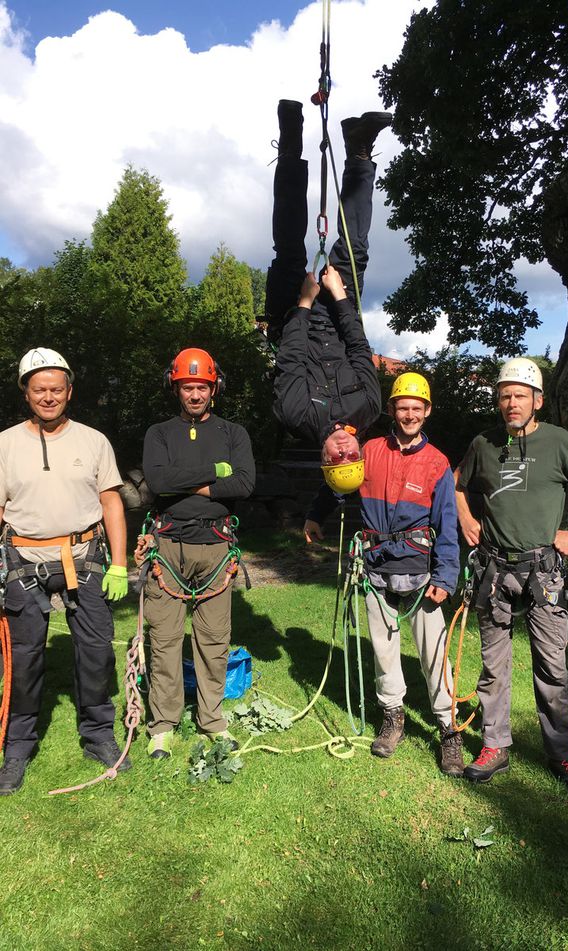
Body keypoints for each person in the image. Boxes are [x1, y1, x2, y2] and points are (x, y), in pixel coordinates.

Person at [454, 357, 568, 796]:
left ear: (537, 400)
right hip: (494, 568)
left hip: (542, 570)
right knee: (493, 665)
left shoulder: (559, 442)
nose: (511, 402)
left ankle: (562, 755)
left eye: (520, 395)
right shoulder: (484, 444)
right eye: (505, 395)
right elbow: (455, 484)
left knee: (552, 666)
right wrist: (467, 519)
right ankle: (494, 746)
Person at [304, 372, 464, 776]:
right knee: (383, 647)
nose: (409, 414)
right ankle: (393, 716)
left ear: (426, 412)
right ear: (392, 410)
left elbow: (448, 523)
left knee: (434, 653)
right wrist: (315, 516)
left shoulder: (437, 463)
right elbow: (337, 482)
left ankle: (448, 728)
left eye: (416, 408)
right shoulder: (370, 450)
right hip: (376, 567)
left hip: (420, 571)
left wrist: (446, 577)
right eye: (402, 407)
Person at [0, 348, 129, 795]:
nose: (49, 397)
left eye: (57, 389)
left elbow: (111, 501)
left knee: (96, 652)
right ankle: (17, 748)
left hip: (85, 556)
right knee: (24, 657)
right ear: (26, 393)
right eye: (40, 390)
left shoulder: (93, 441)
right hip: (22, 561)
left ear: (69, 391)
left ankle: (98, 736)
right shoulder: (5, 443)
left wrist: (118, 562)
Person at [141, 348, 255, 759]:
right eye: (187, 387)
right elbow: (157, 481)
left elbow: (244, 484)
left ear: (214, 388)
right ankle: (163, 724)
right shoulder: (159, 433)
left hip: (216, 548)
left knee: (212, 639)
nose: (194, 394)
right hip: (168, 546)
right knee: (166, 639)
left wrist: (184, 484)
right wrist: (215, 471)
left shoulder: (233, 433)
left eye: (201, 387)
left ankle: (211, 719)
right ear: (176, 388)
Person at [265, 99, 386, 460]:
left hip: (291, 319)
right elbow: (360, 349)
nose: (345, 452)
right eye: (354, 458)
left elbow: (291, 359)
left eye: (338, 461)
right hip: (338, 317)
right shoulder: (368, 409)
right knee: (356, 247)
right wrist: (340, 298)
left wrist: (304, 303)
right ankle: (359, 152)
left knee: (288, 248)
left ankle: (289, 146)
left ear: (324, 457)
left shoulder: (296, 415)